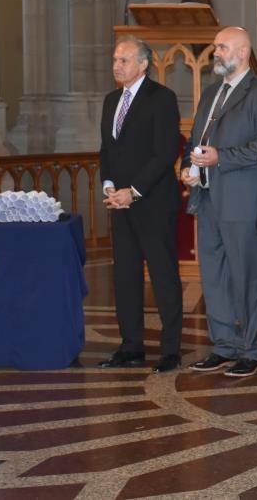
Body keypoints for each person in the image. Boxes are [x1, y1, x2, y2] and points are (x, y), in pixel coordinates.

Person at [181, 26, 257, 378]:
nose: (215, 53)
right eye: (215, 47)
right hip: (207, 199)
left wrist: (220, 157)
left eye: (221, 47)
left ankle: (250, 349)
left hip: (243, 201)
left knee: (247, 278)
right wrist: (187, 168)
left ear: (242, 52)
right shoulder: (210, 93)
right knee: (214, 277)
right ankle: (223, 345)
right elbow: (194, 140)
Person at [98, 35, 183, 374]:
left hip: (153, 203)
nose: (116, 65)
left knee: (163, 276)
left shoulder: (162, 98)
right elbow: (107, 148)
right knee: (125, 276)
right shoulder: (110, 100)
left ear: (144, 64)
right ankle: (130, 346)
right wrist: (109, 186)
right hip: (118, 203)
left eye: (124, 60)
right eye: (115, 59)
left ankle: (171, 350)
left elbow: (165, 152)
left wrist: (133, 191)